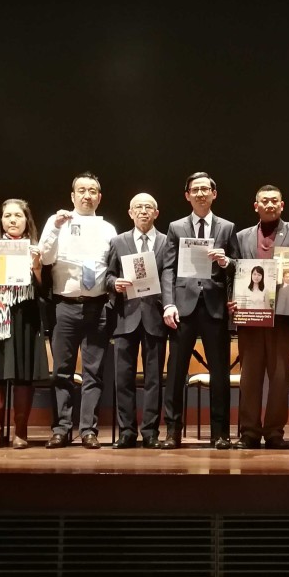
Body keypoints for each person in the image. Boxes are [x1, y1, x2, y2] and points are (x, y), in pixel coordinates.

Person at [160, 172, 240, 449]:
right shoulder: (176, 227)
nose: (201, 193)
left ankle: (220, 433)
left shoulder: (227, 228)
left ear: (214, 194)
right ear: (187, 195)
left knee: (220, 373)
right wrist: (168, 303)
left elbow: (238, 268)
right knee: (176, 371)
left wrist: (227, 261)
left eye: (206, 189)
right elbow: (168, 268)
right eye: (195, 189)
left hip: (216, 307)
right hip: (183, 307)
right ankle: (172, 431)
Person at [39, 172, 117, 449]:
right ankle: (61, 428)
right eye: (81, 190)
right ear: (73, 196)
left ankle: (88, 430)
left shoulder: (108, 229)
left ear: (99, 196)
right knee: (61, 371)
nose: (87, 195)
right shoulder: (57, 221)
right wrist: (56, 228)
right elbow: (45, 258)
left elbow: (113, 269)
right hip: (65, 306)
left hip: (98, 307)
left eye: (92, 190)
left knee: (94, 373)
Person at [231, 184, 289, 449]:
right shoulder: (241, 237)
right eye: (265, 201)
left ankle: (275, 431)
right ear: (256, 206)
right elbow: (234, 275)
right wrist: (234, 301)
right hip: (250, 317)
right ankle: (249, 431)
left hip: (284, 317)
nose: (270, 205)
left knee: (279, 377)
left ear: (282, 205)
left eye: (275, 201)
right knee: (249, 377)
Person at [0, 199, 47, 449]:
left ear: (27, 221)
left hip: (25, 317)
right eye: (7, 216)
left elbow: (44, 292)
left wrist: (36, 267)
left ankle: (21, 430)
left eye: (18, 215)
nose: (12, 220)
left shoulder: (37, 249)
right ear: (1, 220)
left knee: (23, 373)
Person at [104, 192, 168, 450]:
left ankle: (150, 432)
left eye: (148, 207)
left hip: (155, 317)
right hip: (125, 317)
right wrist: (114, 283)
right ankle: (127, 431)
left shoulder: (166, 242)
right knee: (123, 378)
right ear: (130, 213)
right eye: (138, 207)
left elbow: (171, 278)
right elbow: (107, 275)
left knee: (154, 378)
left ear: (156, 213)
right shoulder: (118, 242)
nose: (143, 211)